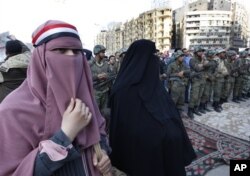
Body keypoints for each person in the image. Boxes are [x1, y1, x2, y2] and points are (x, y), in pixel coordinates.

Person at [0, 20, 112, 176]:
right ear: (40, 57)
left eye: (76, 51)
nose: (71, 57)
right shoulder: (12, 111)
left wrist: (104, 152)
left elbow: (99, 132)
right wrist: (65, 136)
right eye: (60, 49)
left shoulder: (85, 97)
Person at [109, 39, 196, 176]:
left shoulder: (155, 86)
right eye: (153, 55)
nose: (156, 59)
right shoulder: (122, 91)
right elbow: (124, 129)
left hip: (165, 150)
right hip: (141, 155)